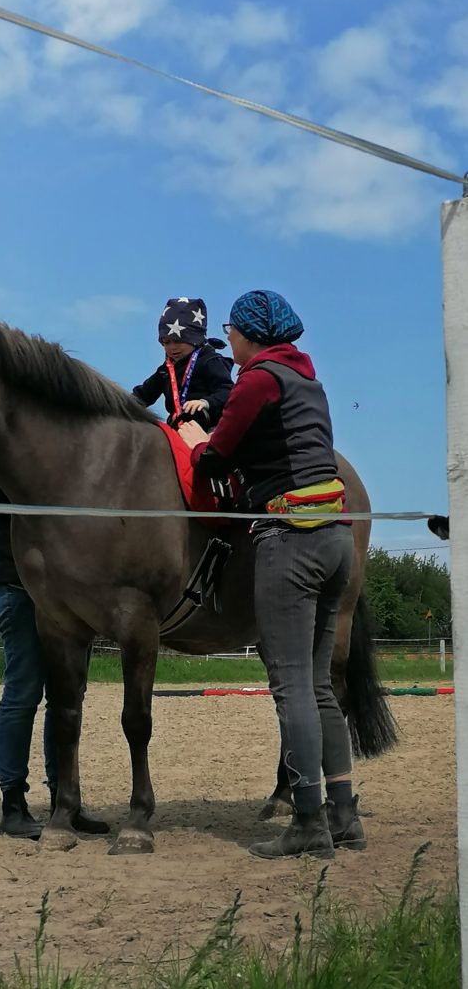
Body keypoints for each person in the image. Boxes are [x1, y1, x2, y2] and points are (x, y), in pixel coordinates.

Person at [178, 289, 364, 860]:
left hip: (290, 542)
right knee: (318, 687)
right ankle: (345, 816)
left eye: (232, 329)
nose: (226, 338)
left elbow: (218, 459)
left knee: (290, 687)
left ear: (253, 334)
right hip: (335, 541)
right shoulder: (308, 382)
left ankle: (307, 822)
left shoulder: (258, 379)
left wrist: (195, 440)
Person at [0, 458, 109, 839]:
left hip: (69, 588)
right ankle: (13, 804)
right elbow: (4, 483)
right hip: (18, 581)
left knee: (67, 697)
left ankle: (63, 800)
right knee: (23, 690)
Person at [132, 297, 233, 431]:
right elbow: (143, 395)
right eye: (166, 342)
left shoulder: (211, 361)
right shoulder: (166, 370)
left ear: (194, 339)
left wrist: (205, 403)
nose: (172, 348)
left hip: (209, 429)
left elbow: (228, 392)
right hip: (177, 429)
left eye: (178, 341)